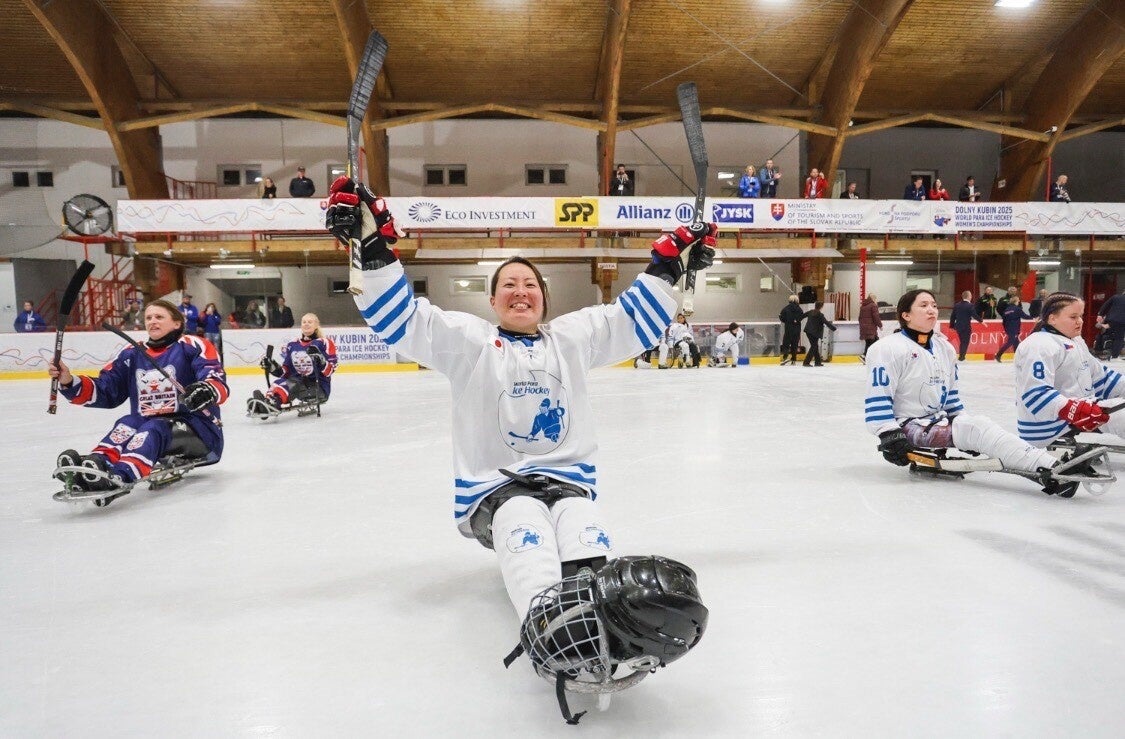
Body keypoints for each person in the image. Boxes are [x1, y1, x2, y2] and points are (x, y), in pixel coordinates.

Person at [325, 177, 712, 703]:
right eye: (508, 284)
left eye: (530, 284)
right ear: (492, 300)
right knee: (523, 519)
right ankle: (552, 629)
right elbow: (407, 320)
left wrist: (670, 263)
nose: (520, 291)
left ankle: (605, 624)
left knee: (581, 525)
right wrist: (372, 249)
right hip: (496, 490)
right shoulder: (470, 343)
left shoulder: (571, 339)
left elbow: (628, 320)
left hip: (566, 479)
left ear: (544, 299)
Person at [864, 289, 1062, 493]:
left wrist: (962, 423)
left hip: (936, 421)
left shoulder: (944, 347)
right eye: (923, 306)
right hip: (907, 427)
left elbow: (951, 397)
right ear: (906, 315)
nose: (931, 310)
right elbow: (878, 396)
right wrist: (889, 434)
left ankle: (1041, 464)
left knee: (977, 427)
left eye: (933, 305)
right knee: (979, 429)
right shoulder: (887, 348)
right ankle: (1047, 465)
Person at [47, 299, 227, 504]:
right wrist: (69, 381)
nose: (152, 321)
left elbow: (215, 378)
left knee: (154, 426)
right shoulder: (132, 353)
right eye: (148, 318)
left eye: (159, 317)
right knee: (127, 422)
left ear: (177, 323)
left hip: (198, 430)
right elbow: (107, 389)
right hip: (149, 426)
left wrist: (207, 389)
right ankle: (96, 466)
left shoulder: (192, 345)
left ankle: (120, 476)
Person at [1013, 291, 1125, 448]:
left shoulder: (1076, 341)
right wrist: (1075, 409)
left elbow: (1101, 377)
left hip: (1081, 410)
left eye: (1081, 316)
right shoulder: (1039, 345)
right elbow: (1035, 393)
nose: (1080, 321)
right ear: (1052, 318)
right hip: (1048, 425)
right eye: (1073, 317)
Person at [249, 313, 338, 415]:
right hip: (298, 385)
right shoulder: (293, 344)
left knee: (293, 382)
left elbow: (330, 370)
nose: (306, 324)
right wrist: (272, 366)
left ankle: (272, 403)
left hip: (318, 388)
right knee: (282, 380)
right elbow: (285, 372)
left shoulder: (324, 342)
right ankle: (266, 401)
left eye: (310, 322)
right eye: (304, 322)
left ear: (316, 325)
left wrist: (321, 360)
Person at [949, 291, 984, 361]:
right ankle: (962, 357)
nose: (971, 297)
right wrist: (981, 321)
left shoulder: (957, 305)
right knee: (965, 342)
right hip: (966, 327)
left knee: (962, 341)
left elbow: (952, 316)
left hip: (958, 326)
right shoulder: (970, 305)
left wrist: (952, 325)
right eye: (970, 295)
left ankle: (961, 356)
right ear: (968, 297)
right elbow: (974, 315)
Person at [995, 295, 1030, 362]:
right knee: (1010, 342)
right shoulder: (1017, 309)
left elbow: (1004, 320)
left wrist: (1006, 328)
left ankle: (1018, 358)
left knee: (1015, 343)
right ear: (1015, 301)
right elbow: (1025, 316)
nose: (1019, 302)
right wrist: (1033, 318)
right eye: (1018, 301)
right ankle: (998, 355)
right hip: (1014, 328)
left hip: (1009, 328)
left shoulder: (1007, 309)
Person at [802, 301, 836, 366]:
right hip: (815, 333)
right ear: (821, 307)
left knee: (815, 346)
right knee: (814, 346)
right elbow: (826, 322)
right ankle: (806, 362)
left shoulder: (810, 312)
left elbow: (802, 316)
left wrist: (795, 320)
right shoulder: (820, 315)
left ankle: (817, 362)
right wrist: (834, 329)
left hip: (808, 331)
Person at [1096, 289, 1125, 360]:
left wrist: (1100, 314)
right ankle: (1114, 356)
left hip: (1110, 320)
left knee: (1104, 334)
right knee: (1119, 338)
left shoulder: (1115, 297)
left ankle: (1099, 350)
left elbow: (1105, 305)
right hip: (1121, 322)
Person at [778, 294, 804, 365]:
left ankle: (785, 357)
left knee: (786, 343)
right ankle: (793, 360)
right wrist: (796, 320)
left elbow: (781, 317)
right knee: (795, 344)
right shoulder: (799, 309)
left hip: (788, 328)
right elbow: (801, 317)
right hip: (797, 329)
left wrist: (786, 320)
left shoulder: (785, 308)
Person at [858, 293, 882, 362]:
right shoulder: (873, 305)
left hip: (865, 328)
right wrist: (880, 325)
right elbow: (876, 317)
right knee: (871, 343)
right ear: (873, 298)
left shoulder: (863, 306)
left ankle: (870, 357)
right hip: (870, 328)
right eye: (875, 298)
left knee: (873, 342)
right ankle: (864, 356)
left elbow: (859, 318)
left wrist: (863, 326)